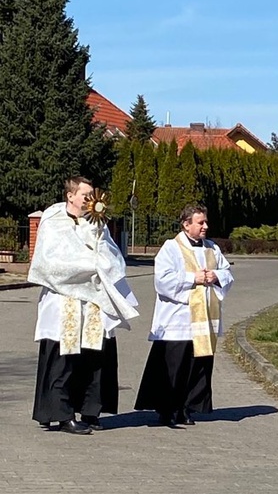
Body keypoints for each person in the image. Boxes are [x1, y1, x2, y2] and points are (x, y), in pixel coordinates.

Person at [28, 176, 139, 435]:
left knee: (94, 357)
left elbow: (114, 260)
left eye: (93, 194)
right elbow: (48, 263)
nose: (92, 199)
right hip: (62, 301)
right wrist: (89, 267)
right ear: (71, 196)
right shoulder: (53, 222)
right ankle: (60, 413)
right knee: (62, 359)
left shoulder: (96, 224)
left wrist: (99, 253)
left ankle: (90, 410)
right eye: (86, 194)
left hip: (93, 302)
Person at [134, 205, 233, 426]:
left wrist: (214, 275)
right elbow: (163, 281)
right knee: (174, 366)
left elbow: (227, 273)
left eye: (206, 222)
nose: (205, 226)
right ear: (186, 225)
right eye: (200, 222)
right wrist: (193, 278)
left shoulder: (212, 248)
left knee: (197, 365)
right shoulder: (171, 248)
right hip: (177, 319)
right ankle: (167, 409)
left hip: (203, 319)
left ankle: (187, 407)